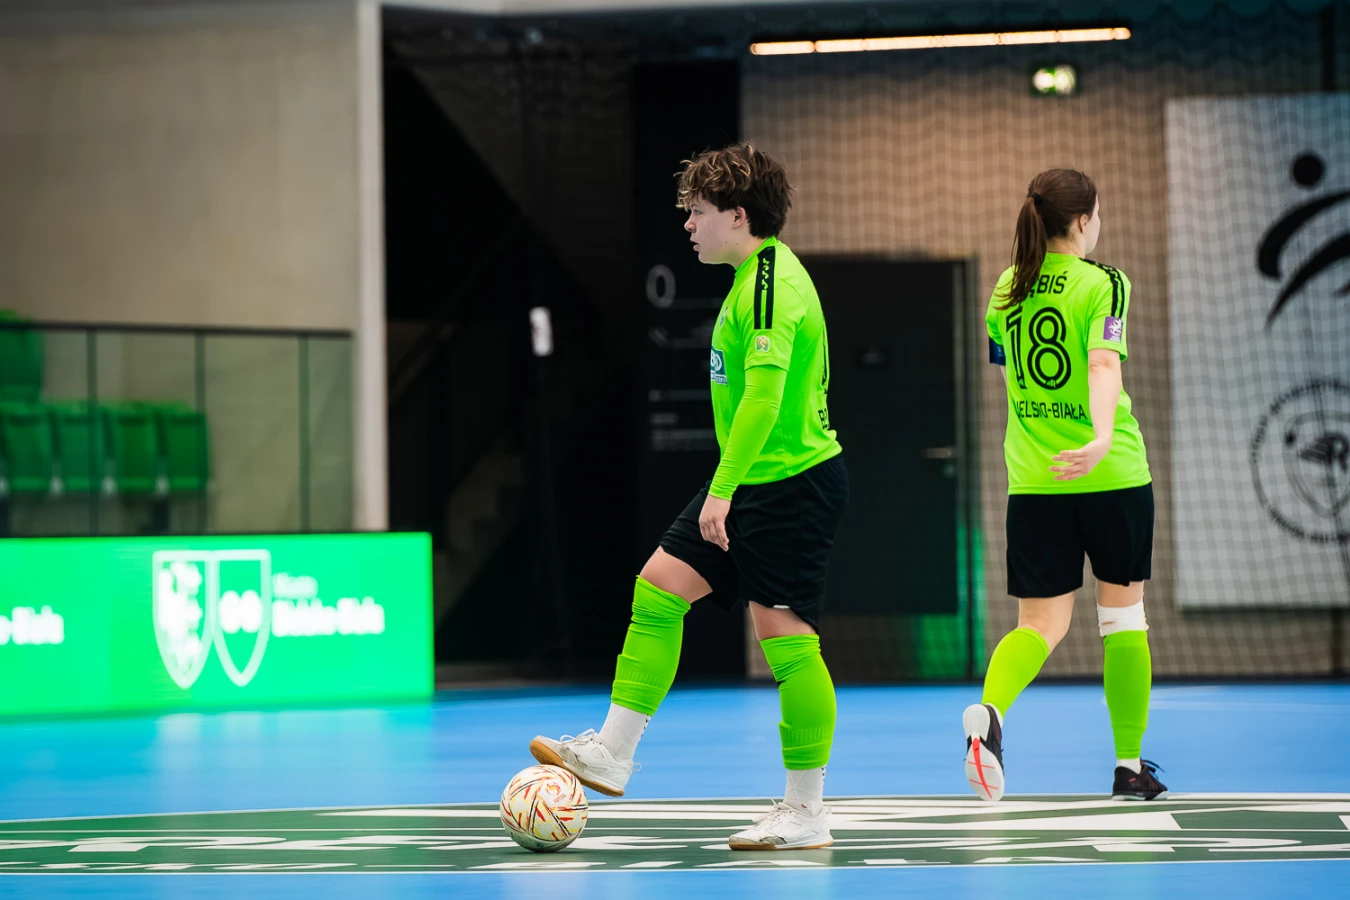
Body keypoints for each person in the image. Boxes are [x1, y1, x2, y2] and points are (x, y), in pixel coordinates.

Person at [530, 142, 849, 850]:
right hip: (754, 477)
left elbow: (764, 400)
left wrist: (722, 490)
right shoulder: (751, 279)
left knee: (786, 641)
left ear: (738, 216)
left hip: (788, 483)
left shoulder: (770, 286)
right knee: (659, 587)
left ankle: (806, 811)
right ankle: (613, 751)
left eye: (699, 211)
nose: (688, 225)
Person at [964, 168, 1167, 803]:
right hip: (1112, 475)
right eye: (1096, 213)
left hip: (1035, 479)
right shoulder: (1105, 282)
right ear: (1081, 221)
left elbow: (1009, 378)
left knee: (1039, 624)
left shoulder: (1006, 288)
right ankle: (1129, 768)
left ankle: (990, 715)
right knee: (1123, 619)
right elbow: (1103, 363)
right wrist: (1100, 437)